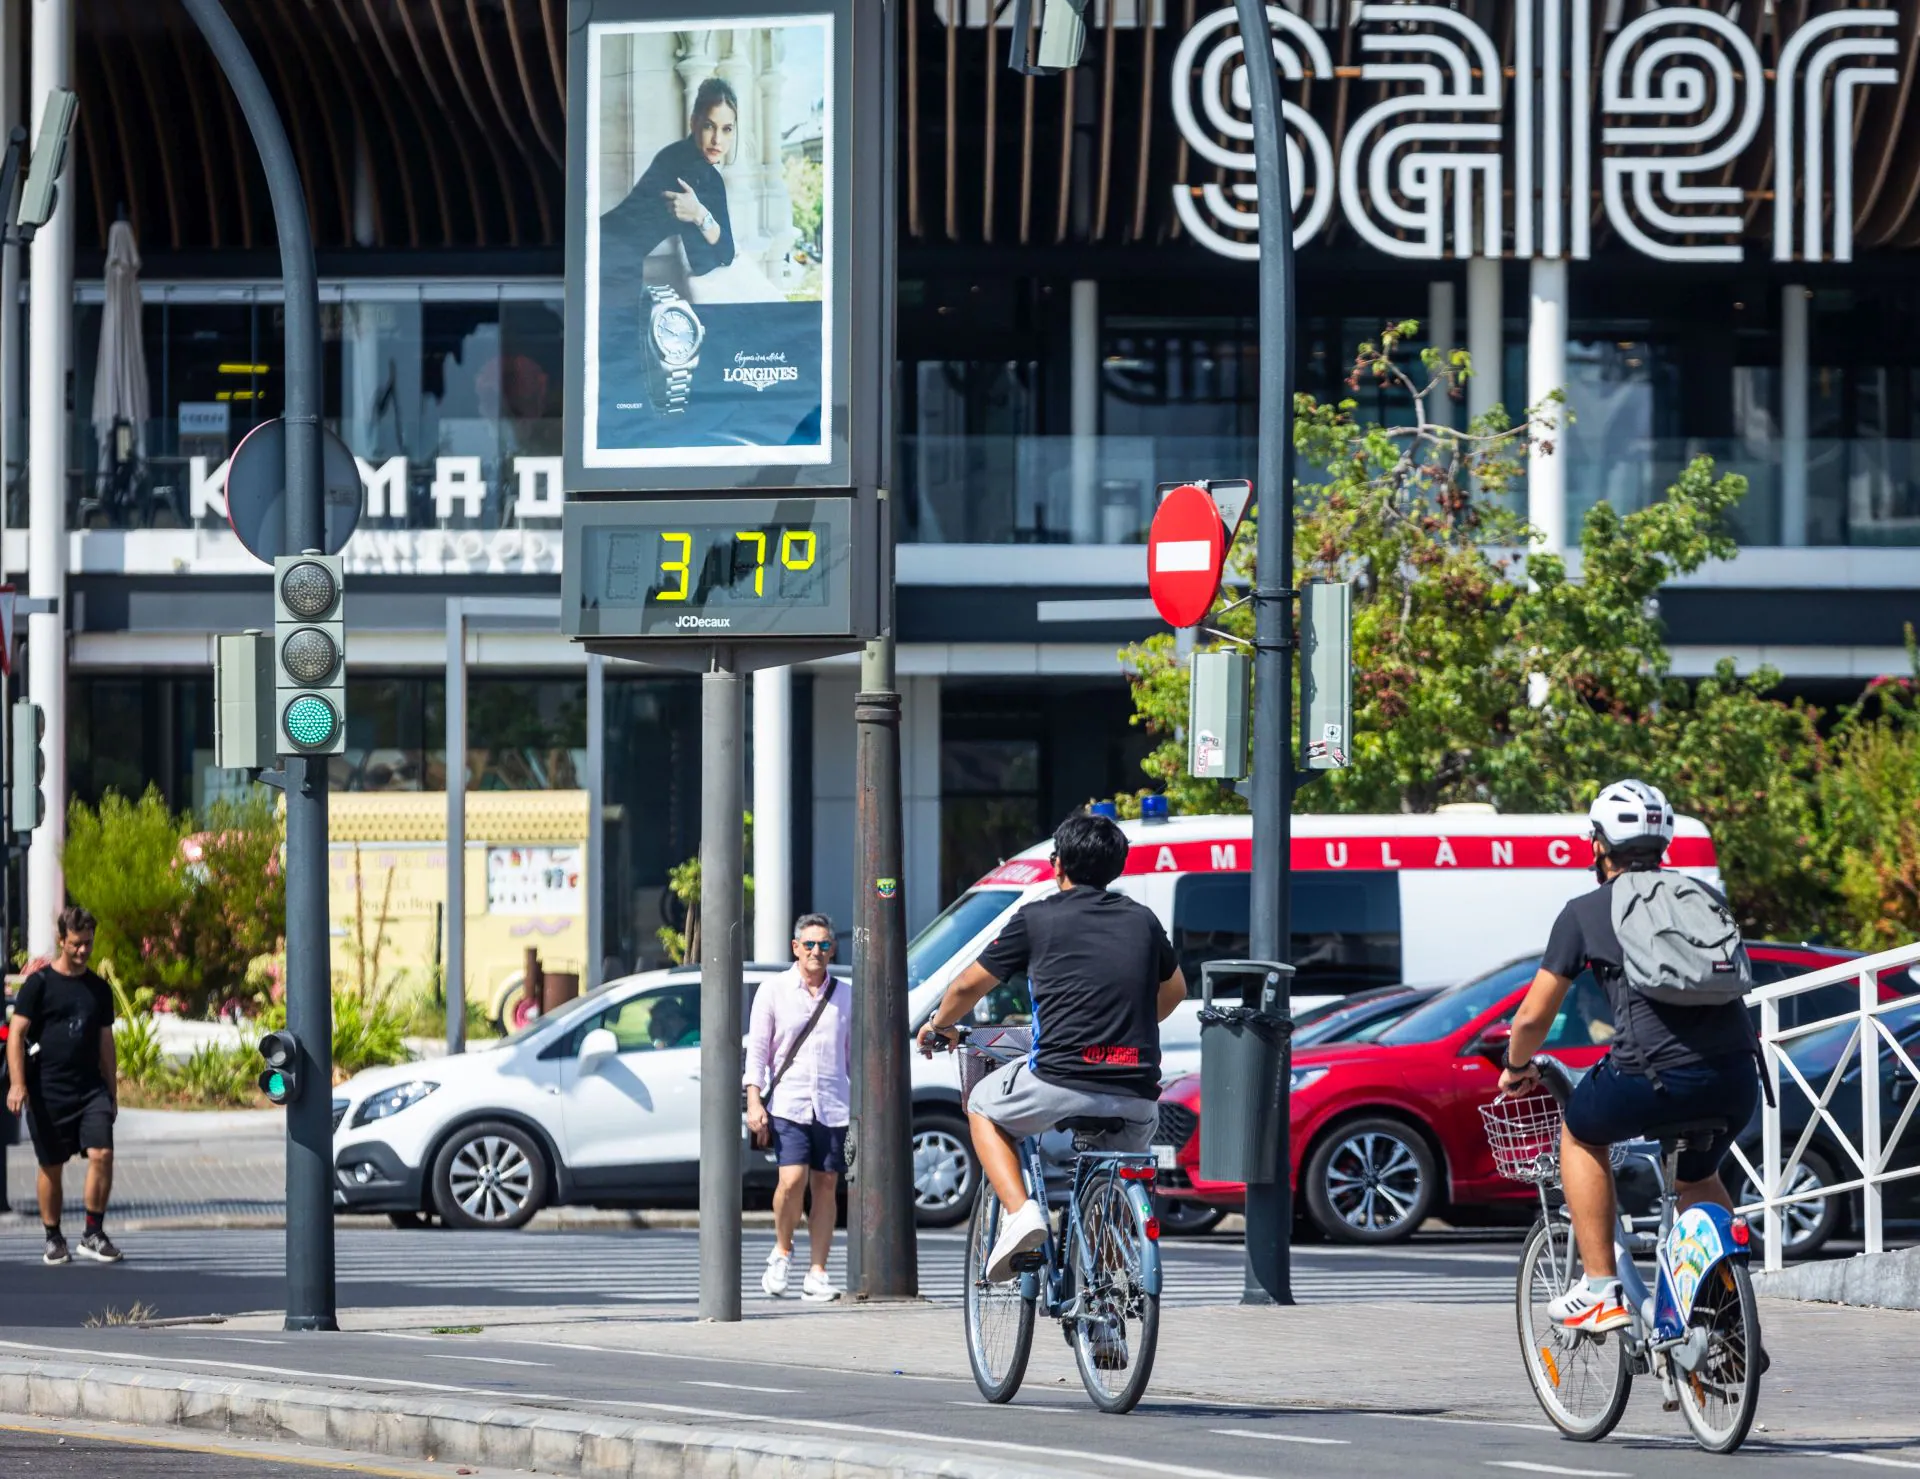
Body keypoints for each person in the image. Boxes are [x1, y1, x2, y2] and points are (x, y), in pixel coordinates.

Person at [1499, 779, 1760, 1332]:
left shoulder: (1586, 912)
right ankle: (1729, 1318)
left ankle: (1599, 1288)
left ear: (1598, 845)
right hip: (1737, 1077)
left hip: (1651, 1077)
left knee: (1581, 1130)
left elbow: (1532, 1017)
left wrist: (1517, 1066)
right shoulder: (1704, 899)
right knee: (1698, 1174)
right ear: (1662, 844)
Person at [919, 812, 1186, 1282]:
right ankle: (1105, 1324)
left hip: (1059, 1078)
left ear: (1057, 864)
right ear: (1116, 869)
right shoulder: (1143, 921)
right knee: (1112, 1187)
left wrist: (939, 1025)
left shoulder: (1036, 919)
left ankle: (1021, 1213)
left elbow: (967, 987)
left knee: (983, 1105)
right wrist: (1137, 1021)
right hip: (1136, 1089)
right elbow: (1176, 990)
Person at [6, 906, 123, 1266]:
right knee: (51, 1166)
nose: (83, 951)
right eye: (76, 944)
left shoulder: (99, 990)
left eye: (88, 943)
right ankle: (53, 1237)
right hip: (47, 1089)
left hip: (91, 1088)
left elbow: (106, 1042)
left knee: (102, 1154)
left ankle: (93, 1232)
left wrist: (112, 1090)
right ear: (61, 940)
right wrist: (17, 1084)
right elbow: (16, 1035)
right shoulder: (39, 985)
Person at [743, 913, 848, 1302]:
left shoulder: (845, 996)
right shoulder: (773, 991)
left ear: (832, 949)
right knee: (792, 1181)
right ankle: (782, 1251)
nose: (816, 952)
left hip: (833, 1105)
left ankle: (817, 1272)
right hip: (789, 1102)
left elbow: (854, 1058)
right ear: (795, 948)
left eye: (823, 945)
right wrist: (754, 1101)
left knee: (827, 1184)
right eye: (809, 945)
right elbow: (757, 1053)